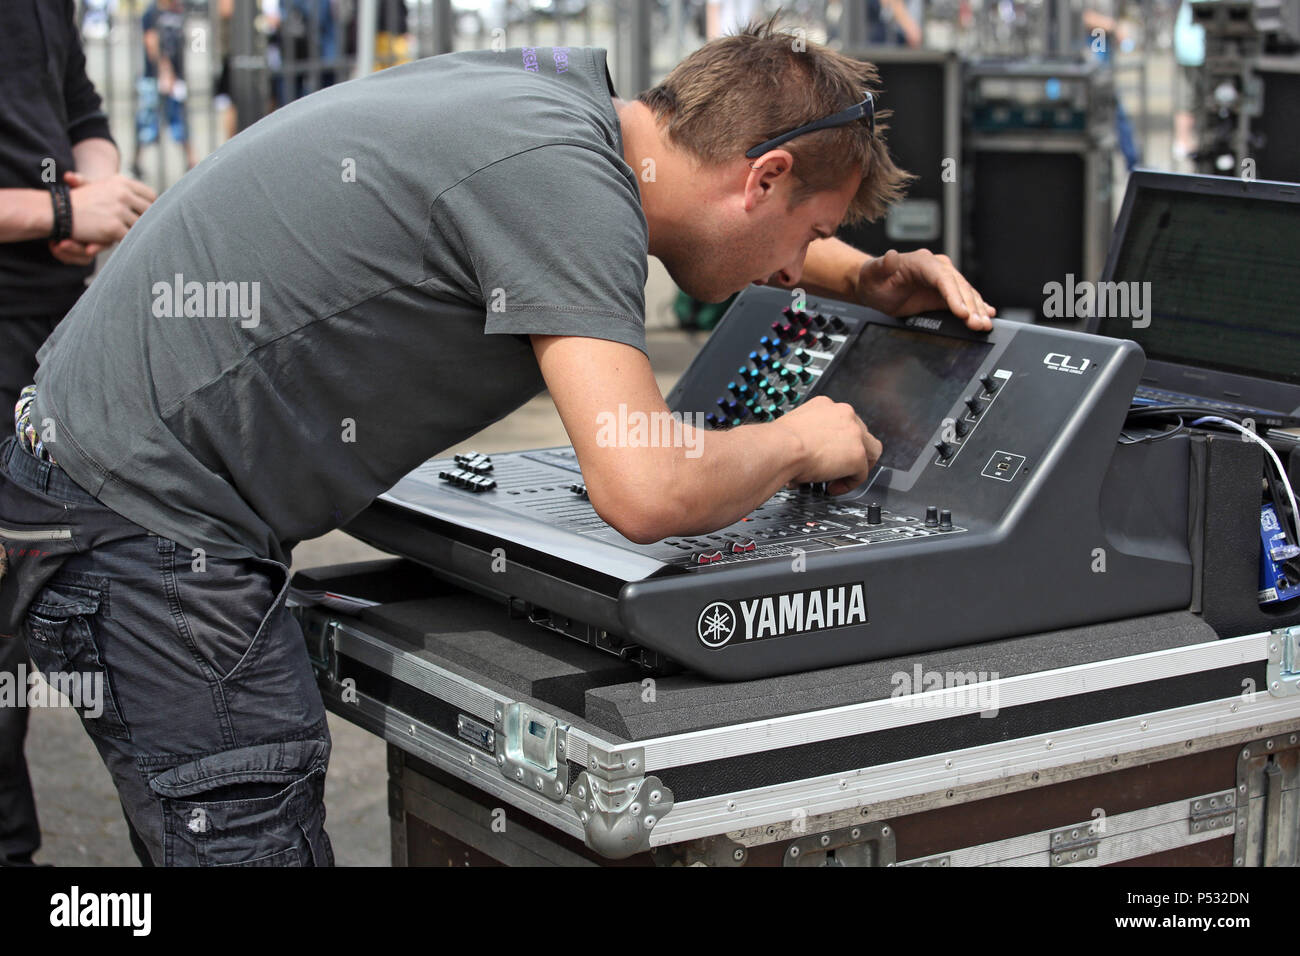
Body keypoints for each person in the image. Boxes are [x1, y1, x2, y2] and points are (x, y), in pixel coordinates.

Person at [2, 16, 993, 866]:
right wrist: (795, 441)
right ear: (765, 174)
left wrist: (858, 280)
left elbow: (708, 219)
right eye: (803, 233)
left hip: (85, 466)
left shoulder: (555, 103)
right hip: (145, 531)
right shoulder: (568, 191)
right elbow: (644, 486)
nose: (788, 271)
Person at [0, 0, 155, 867]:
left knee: (101, 588)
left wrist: (97, 187)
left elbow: (81, 111)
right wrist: (56, 212)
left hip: (57, 331)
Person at [133, 0, 197, 179]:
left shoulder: (178, 9)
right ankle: (137, 161)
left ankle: (191, 160)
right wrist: (164, 70)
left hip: (175, 77)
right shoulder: (152, 12)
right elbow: (151, 42)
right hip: (155, 77)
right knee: (148, 120)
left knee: (179, 118)